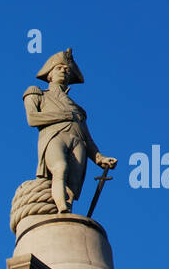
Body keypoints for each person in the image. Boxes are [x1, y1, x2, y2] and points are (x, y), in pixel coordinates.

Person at [23, 49, 117, 214]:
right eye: (60, 68)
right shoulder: (38, 93)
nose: (64, 72)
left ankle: (66, 214)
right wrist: (64, 115)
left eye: (67, 70)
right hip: (54, 136)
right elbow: (33, 119)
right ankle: (62, 208)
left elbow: (88, 139)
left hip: (78, 141)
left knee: (72, 183)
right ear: (50, 74)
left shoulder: (79, 110)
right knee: (60, 167)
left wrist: (100, 158)